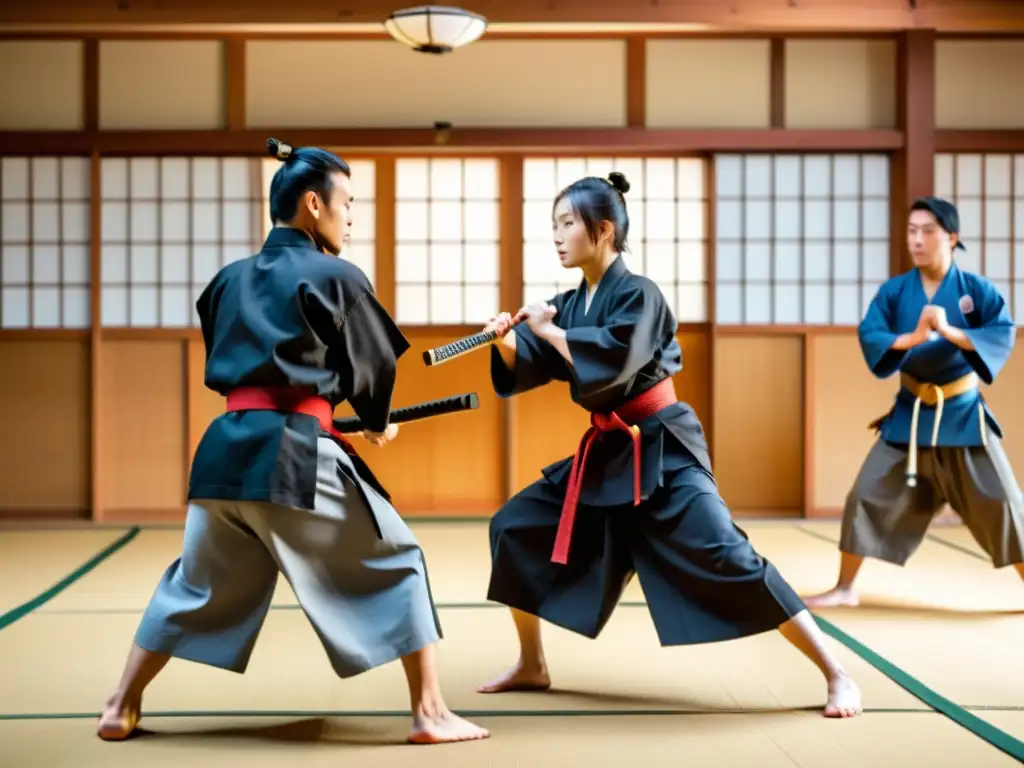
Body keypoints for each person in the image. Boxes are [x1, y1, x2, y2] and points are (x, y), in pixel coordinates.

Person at [96, 139, 489, 746]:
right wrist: (377, 418)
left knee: (193, 586)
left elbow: (244, 361)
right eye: (347, 203)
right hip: (294, 454)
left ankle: (120, 704)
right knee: (401, 559)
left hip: (224, 455)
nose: (351, 216)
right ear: (313, 204)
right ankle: (430, 713)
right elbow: (373, 367)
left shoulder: (227, 280)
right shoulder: (336, 275)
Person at [477, 171, 862, 718]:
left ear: (604, 230)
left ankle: (837, 672)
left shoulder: (640, 294)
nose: (557, 236)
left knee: (729, 553)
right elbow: (540, 365)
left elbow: (611, 365)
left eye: (567, 224)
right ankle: (533, 663)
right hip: (609, 452)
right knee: (514, 527)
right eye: (554, 225)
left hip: (663, 445)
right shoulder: (570, 302)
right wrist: (511, 343)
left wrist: (548, 332)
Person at [804, 197, 1024, 609]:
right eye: (911, 231)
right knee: (865, 495)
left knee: (1006, 502)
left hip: (962, 414)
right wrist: (912, 338)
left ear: (951, 238)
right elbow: (872, 335)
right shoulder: (894, 292)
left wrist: (950, 330)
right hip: (910, 413)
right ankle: (845, 587)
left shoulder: (976, 291)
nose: (917, 240)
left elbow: (1001, 333)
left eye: (927, 231)